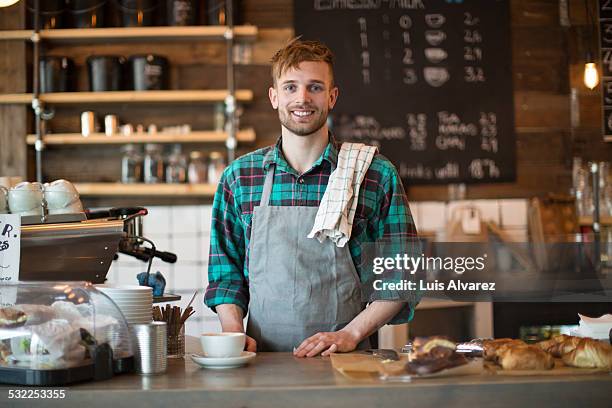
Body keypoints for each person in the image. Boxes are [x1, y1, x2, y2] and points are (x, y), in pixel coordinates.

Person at [205, 38, 419, 357]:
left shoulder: (374, 174)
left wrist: (351, 334)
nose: (302, 98)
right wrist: (234, 332)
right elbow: (225, 273)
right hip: (260, 362)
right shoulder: (239, 178)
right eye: (290, 87)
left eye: (315, 87)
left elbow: (403, 273)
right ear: (274, 97)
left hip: (348, 358)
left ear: (332, 96)